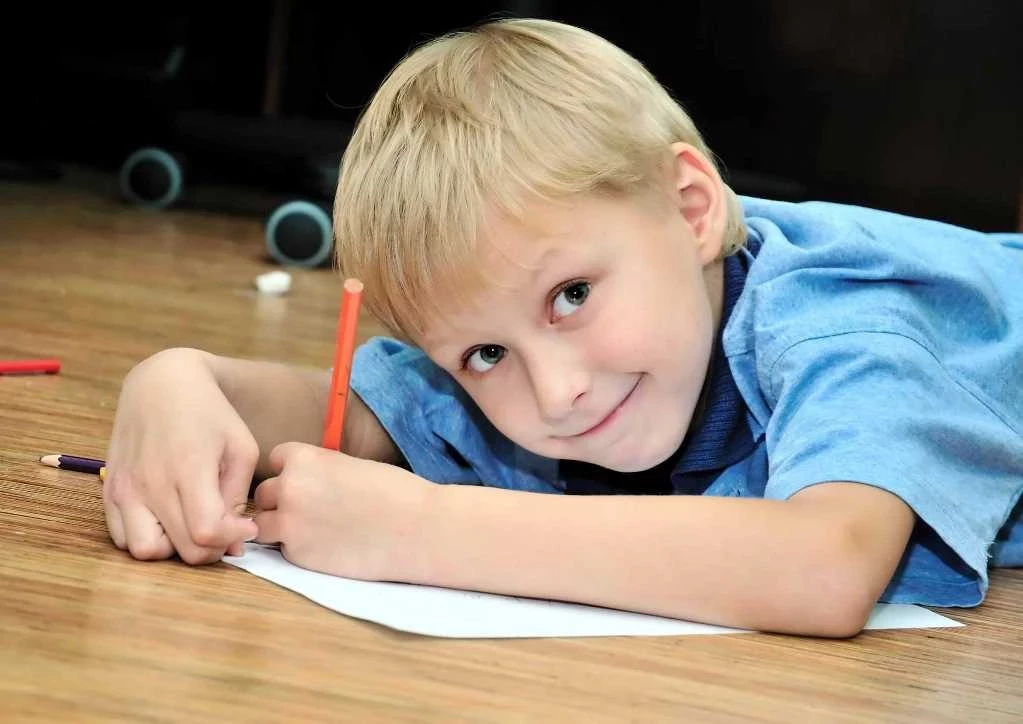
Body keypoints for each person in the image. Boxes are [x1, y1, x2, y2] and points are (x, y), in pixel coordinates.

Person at [102, 18, 1023, 637]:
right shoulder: (564, 350)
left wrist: (424, 528)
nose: (556, 392)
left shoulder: (848, 318)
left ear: (692, 209)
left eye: (573, 295)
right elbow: (352, 415)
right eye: (484, 354)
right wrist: (180, 382)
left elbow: (826, 567)